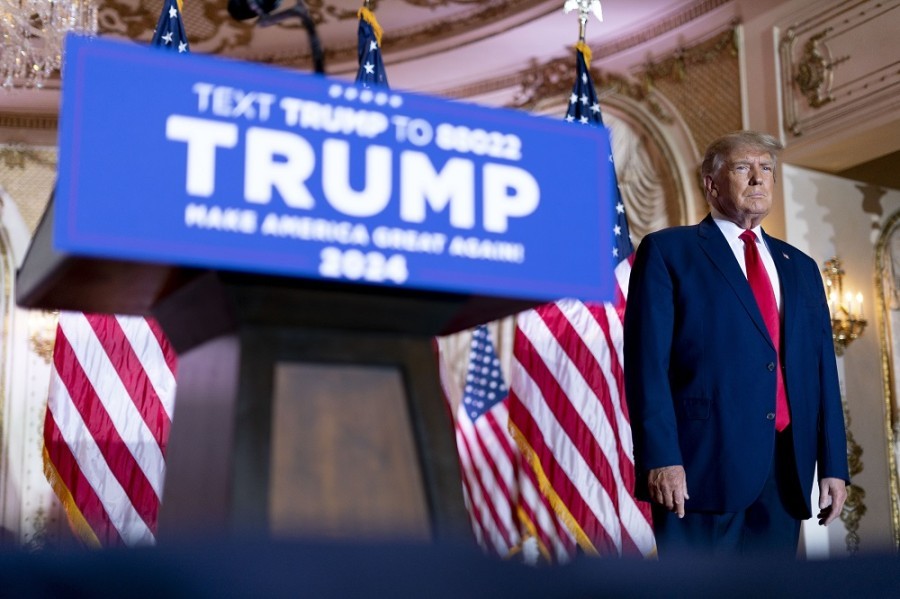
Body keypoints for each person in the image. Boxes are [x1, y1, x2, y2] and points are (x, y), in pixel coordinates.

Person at [623, 130, 849, 558]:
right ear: (711, 183)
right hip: (699, 470)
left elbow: (820, 368)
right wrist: (661, 457)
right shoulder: (670, 252)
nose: (758, 179)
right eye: (743, 168)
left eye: (766, 169)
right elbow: (646, 365)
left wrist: (833, 464)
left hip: (784, 471)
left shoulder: (800, 267)